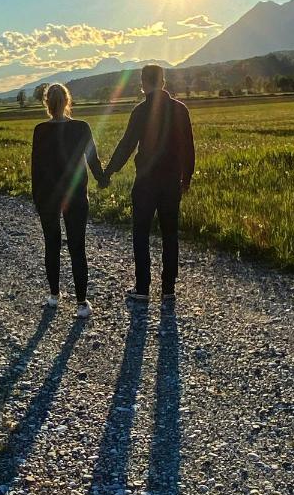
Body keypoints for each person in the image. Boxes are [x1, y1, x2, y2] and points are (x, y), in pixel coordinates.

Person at [101, 64, 195, 302]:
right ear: (163, 82)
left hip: (145, 182)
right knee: (170, 234)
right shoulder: (180, 110)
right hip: (171, 182)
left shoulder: (140, 112)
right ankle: (168, 289)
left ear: (143, 83)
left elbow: (126, 145)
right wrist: (187, 177)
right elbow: (188, 147)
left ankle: (142, 288)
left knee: (141, 233)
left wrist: (108, 171)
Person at [31, 83, 105, 318]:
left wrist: (38, 201)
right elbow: (93, 160)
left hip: (48, 198)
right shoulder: (81, 128)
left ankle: (54, 296)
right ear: (67, 102)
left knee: (51, 245)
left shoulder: (40, 130)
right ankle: (82, 303)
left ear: (47, 104)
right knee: (77, 247)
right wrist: (103, 179)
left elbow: (36, 170)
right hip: (76, 197)